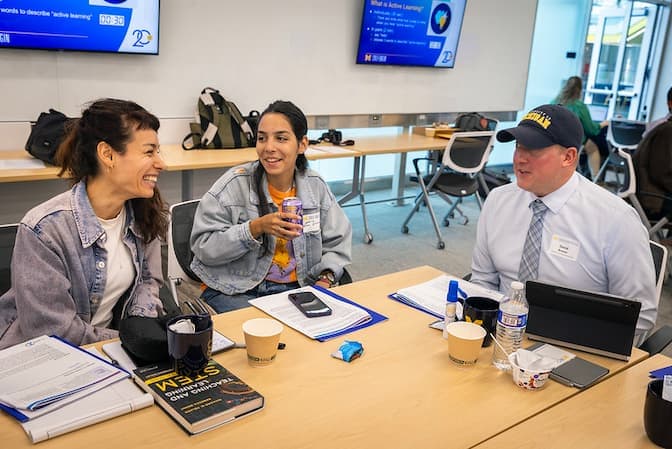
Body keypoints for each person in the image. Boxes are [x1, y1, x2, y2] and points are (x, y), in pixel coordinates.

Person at [470, 104, 657, 340]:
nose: (520, 159)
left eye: (534, 150)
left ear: (568, 157)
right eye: (518, 147)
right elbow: (482, 281)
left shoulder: (615, 220)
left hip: (575, 342)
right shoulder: (499, 201)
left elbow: (640, 315)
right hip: (503, 334)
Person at [0, 99, 169, 349]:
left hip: (109, 349)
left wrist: (144, 335)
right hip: (44, 356)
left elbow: (148, 282)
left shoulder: (145, 213)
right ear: (107, 154)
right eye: (148, 151)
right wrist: (127, 341)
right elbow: (52, 332)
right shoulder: (44, 230)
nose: (161, 163)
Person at [190, 100, 352, 313]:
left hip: (300, 287)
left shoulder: (315, 187)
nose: (269, 148)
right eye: (261, 138)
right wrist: (254, 228)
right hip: (237, 289)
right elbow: (204, 247)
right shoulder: (232, 185)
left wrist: (325, 280)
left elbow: (337, 243)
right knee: (264, 335)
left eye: (281, 138)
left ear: (302, 144)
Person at [552, 76, 609, 179]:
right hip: (572, 141)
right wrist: (602, 124)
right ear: (580, 89)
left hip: (555, 139)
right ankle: (595, 178)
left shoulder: (553, 102)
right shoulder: (579, 106)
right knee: (593, 149)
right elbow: (591, 129)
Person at [633, 113, 672, 220]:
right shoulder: (668, 131)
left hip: (651, 194)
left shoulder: (664, 127)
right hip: (654, 199)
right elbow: (661, 174)